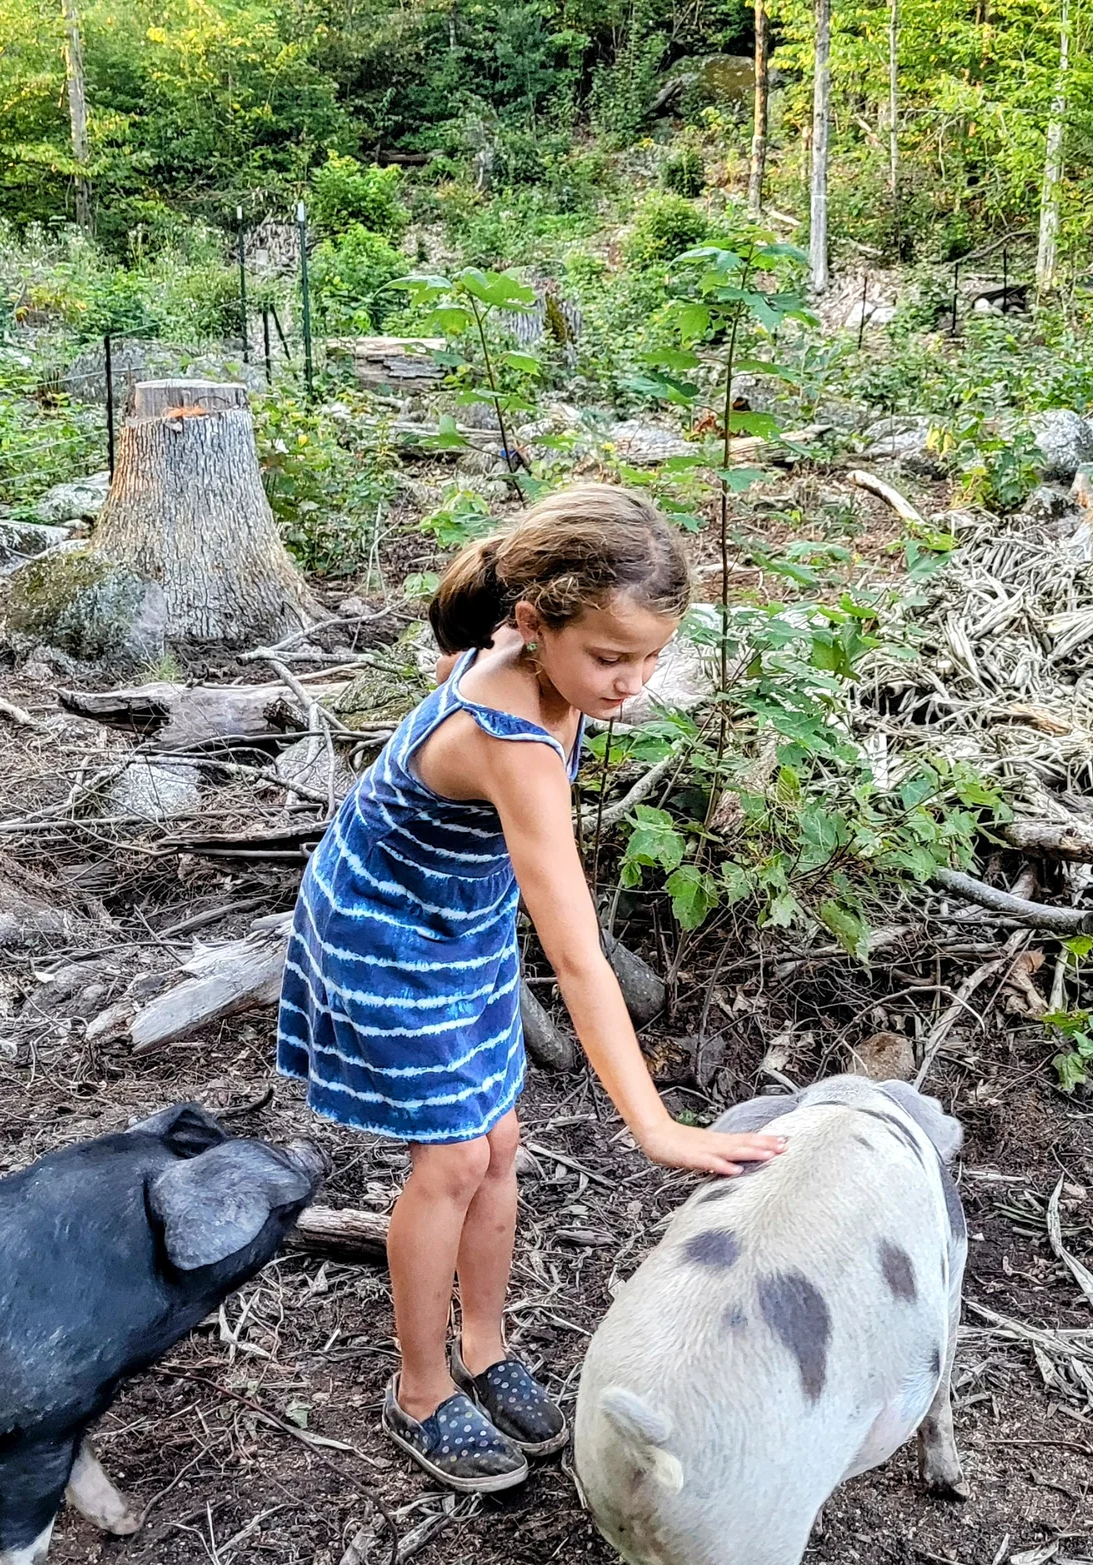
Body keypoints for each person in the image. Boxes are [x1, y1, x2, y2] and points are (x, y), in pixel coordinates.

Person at [277, 483, 788, 1493]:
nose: (632, 683)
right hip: (381, 937)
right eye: (609, 658)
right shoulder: (509, 741)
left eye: (651, 657)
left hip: (457, 925)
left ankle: (485, 1347)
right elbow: (578, 954)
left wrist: (597, 671)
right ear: (533, 626)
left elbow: (466, 681)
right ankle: (419, 1390)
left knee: (498, 1142)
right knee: (456, 1157)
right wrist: (655, 1127)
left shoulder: (520, 650)